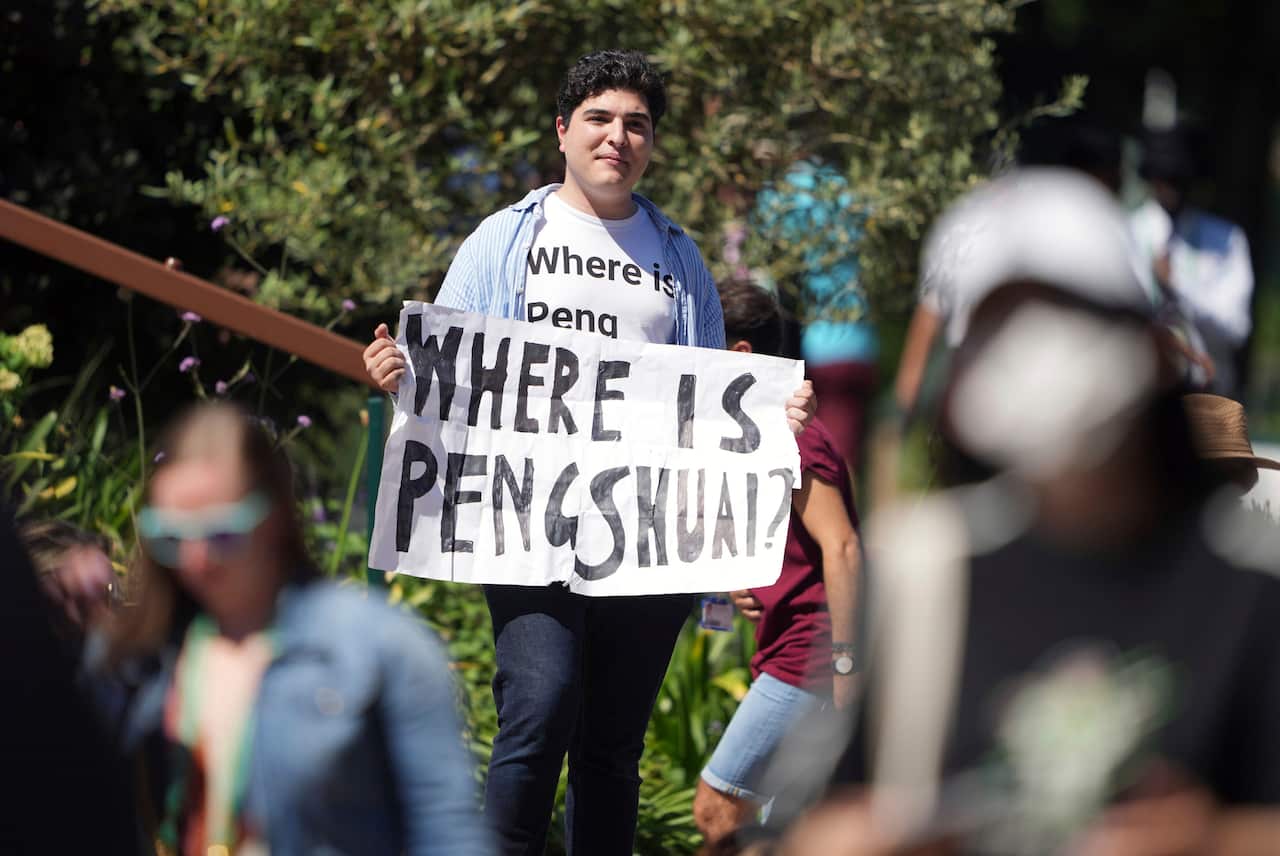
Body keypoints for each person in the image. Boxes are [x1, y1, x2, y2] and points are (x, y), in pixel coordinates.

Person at [362, 49, 815, 855]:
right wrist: (398, 377)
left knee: (612, 745)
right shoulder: (503, 243)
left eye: (636, 124)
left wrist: (773, 417)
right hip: (525, 527)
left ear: (651, 143)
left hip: (642, 538)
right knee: (540, 703)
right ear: (564, 131)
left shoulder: (678, 261)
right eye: (601, 119)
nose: (618, 138)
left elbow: (709, 406)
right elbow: (451, 375)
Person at [796, 169, 1280, 855]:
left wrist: (1211, 840)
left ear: (1150, 344)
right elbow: (818, 822)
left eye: (1060, 313)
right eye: (994, 327)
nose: (1029, 353)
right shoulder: (922, 571)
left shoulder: (1251, 587)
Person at [107, 403, 491, 856]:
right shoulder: (138, 659)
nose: (196, 559)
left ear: (273, 520)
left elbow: (447, 833)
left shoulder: (378, 646)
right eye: (170, 539)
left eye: (223, 534)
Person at [692, 279, 862, 847]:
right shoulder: (767, 433)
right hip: (791, 649)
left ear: (739, 354)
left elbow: (841, 547)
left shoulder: (799, 439)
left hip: (808, 656)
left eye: (702, 340)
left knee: (717, 807)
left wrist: (844, 663)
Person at [754, 160, 879, 476]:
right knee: (844, 456)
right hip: (855, 342)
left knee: (819, 461)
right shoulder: (847, 188)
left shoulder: (776, 196)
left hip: (808, 346)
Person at [1130, 126, 1254, 398]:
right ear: (1151, 179)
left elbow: (1236, 328)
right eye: (1165, 178)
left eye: (1180, 179)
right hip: (1140, 393)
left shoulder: (1226, 239)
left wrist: (1178, 287)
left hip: (1207, 393)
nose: (1172, 188)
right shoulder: (1129, 234)